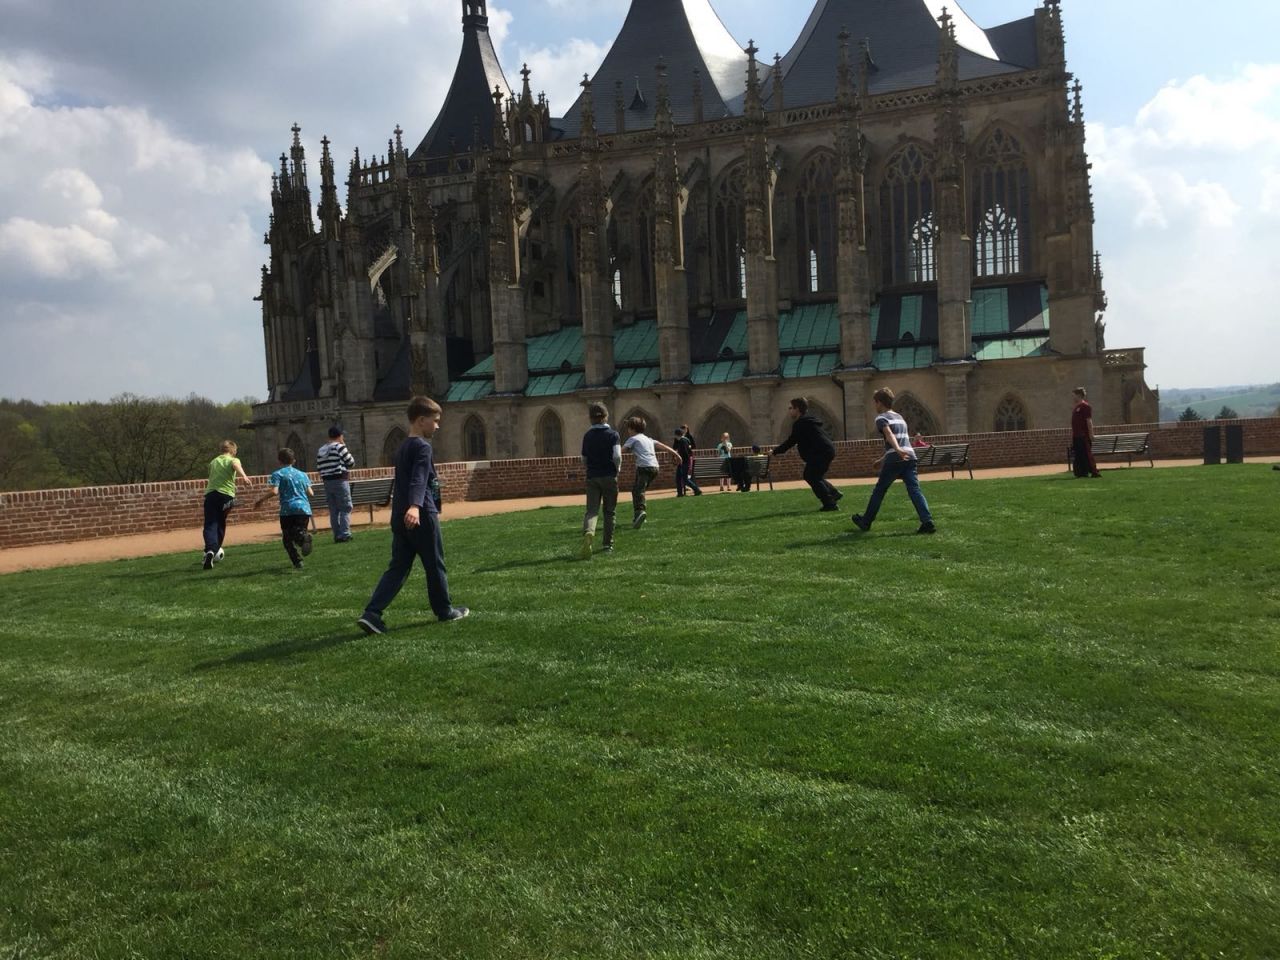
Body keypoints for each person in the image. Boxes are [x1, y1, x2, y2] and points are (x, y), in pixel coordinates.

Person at [357, 396, 468, 633]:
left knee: (398, 567)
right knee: (434, 564)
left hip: (400, 516)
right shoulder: (422, 447)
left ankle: (372, 613)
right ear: (420, 420)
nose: (437, 426)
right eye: (435, 421)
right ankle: (445, 610)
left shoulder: (402, 447)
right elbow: (418, 478)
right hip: (420, 515)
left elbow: (406, 480)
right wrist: (416, 506)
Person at [851, 387, 936, 534]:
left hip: (896, 458)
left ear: (879, 402)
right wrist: (882, 459)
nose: (875, 406)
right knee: (914, 490)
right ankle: (927, 521)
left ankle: (866, 521)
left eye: (875, 402)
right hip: (909, 457)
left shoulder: (881, 418)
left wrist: (897, 450)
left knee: (879, 491)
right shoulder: (900, 417)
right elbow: (902, 441)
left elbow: (889, 435)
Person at [772, 397, 841, 511]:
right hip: (825, 451)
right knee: (814, 476)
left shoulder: (801, 423)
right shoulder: (807, 421)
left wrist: (775, 451)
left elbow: (791, 441)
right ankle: (833, 493)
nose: (789, 411)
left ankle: (830, 503)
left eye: (791, 408)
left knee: (811, 476)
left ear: (797, 409)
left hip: (821, 452)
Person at [254, 448, 314, 570]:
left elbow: (274, 491)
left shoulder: (278, 474)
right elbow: (311, 493)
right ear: (294, 460)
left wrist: (261, 500)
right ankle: (303, 538)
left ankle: (297, 561)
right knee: (299, 531)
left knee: (287, 539)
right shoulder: (303, 474)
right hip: (304, 509)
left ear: (279, 461)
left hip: (288, 509)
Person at [622, 416, 681, 529]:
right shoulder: (648, 439)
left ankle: (640, 512)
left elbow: (621, 451)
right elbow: (663, 446)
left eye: (628, 428)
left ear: (632, 429)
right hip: (654, 468)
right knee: (638, 490)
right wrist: (676, 454)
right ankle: (638, 515)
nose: (628, 430)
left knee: (638, 491)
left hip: (644, 468)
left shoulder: (633, 439)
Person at [580, 402, 621, 560]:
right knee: (609, 511)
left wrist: (589, 468)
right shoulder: (613, 435)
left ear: (590, 418)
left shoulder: (587, 436)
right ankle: (607, 544)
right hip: (609, 475)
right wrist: (617, 469)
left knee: (591, 510)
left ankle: (589, 531)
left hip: (592, 476)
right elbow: (617, 456)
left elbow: (584, 458)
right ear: (606, 416)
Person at [201, 439, 250, 569]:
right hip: (227, 497)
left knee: (210, 523)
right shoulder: (233, 459)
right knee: (220, 522)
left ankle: (210, 550)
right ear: (233, 451)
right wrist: (244, 476)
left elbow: (214, 477)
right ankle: (214, 549)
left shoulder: (213, 462)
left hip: (211, 495)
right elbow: (235, 465)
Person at [316, 425, 356, 542]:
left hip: (327, 481)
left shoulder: (321, 450)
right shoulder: (339, 447)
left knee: (334, 510)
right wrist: (344, 446)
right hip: (340, 480)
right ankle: (345, 534)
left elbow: (319, 467)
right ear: (340, 436)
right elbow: (351, 462)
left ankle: (337, 535)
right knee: (345, 507)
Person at [1071, 386, 1102, 478]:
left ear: (1079, 395)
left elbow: (1089, 421)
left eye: (1074, 395)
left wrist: (1091, 434)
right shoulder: (1076, 407)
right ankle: (1081, 472)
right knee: (1079, 455)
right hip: (1076, 436)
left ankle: (1094, 472)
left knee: (1087, 454)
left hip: (1083, 435)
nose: (1073, 397)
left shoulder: (1085, 406)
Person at [673, 427, 702, 497]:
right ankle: (680, 493)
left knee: (685, 479)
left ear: (677, 435)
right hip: (682, 462)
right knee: (678, 478)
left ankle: (697, 490)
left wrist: (680, 459)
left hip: (685, 462)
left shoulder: (683, 441)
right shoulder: (681, 441)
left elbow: (685, 453)